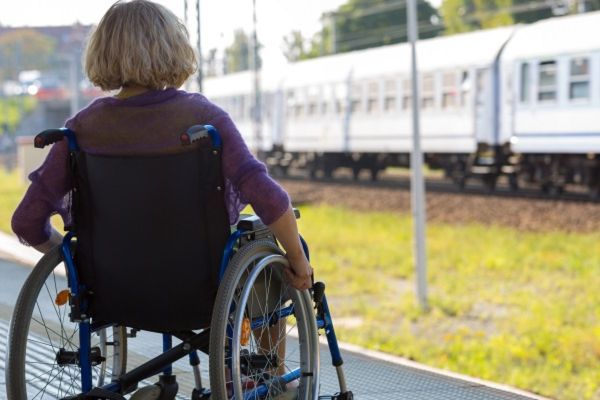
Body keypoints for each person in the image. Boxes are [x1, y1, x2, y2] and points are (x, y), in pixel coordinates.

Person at [11, 1, 310, 397]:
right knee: (264, 244)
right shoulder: (203, 120)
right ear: (174, 49)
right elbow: (269, 199)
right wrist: (299, 262)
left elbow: (25, 222)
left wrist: (74, 267)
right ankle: (269, 377)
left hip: (112, 292)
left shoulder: (81, 130)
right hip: (203, 292)